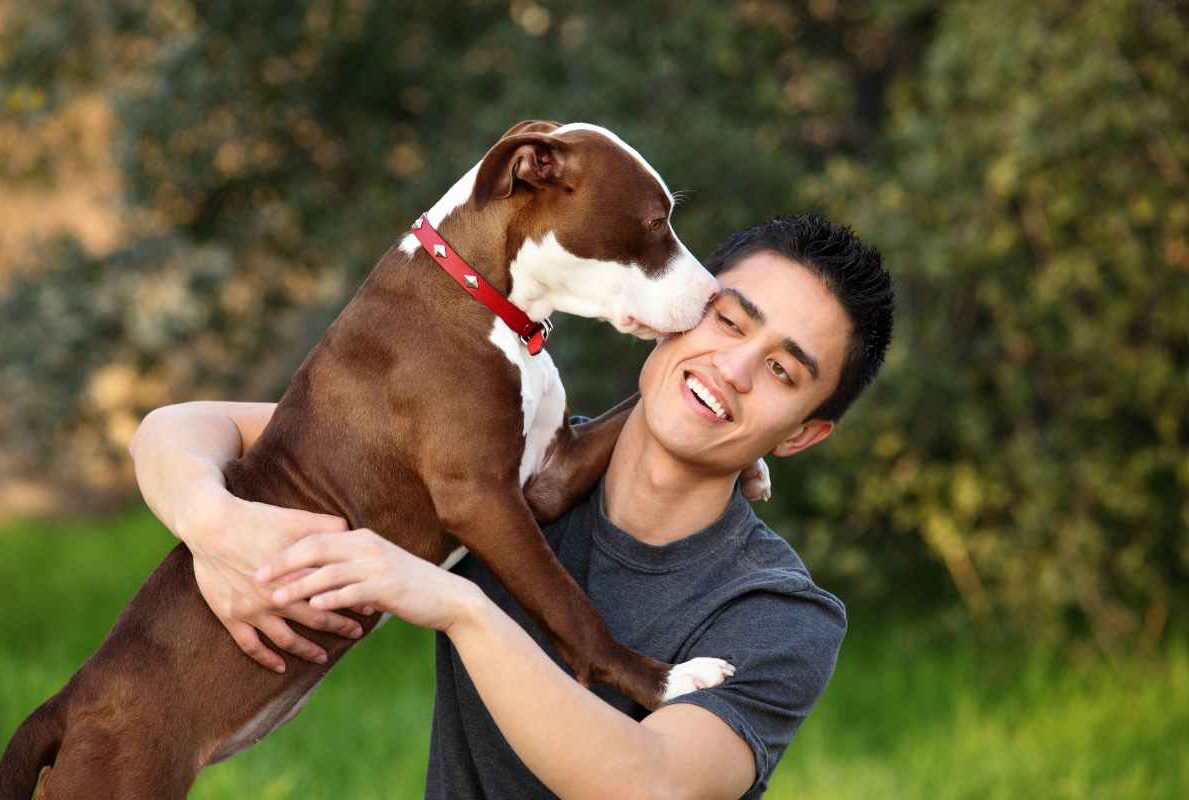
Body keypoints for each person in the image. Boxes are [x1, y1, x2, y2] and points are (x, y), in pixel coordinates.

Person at [130, 212, 894, 799]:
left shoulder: (779, 612)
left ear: (801, 436)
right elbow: (188, 426)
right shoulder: (521, 463)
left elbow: (645, 783)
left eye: (783, 372)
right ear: (683, 306)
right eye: (729, 320)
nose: (732, 368)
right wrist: (215, 524)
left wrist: (458, 604)